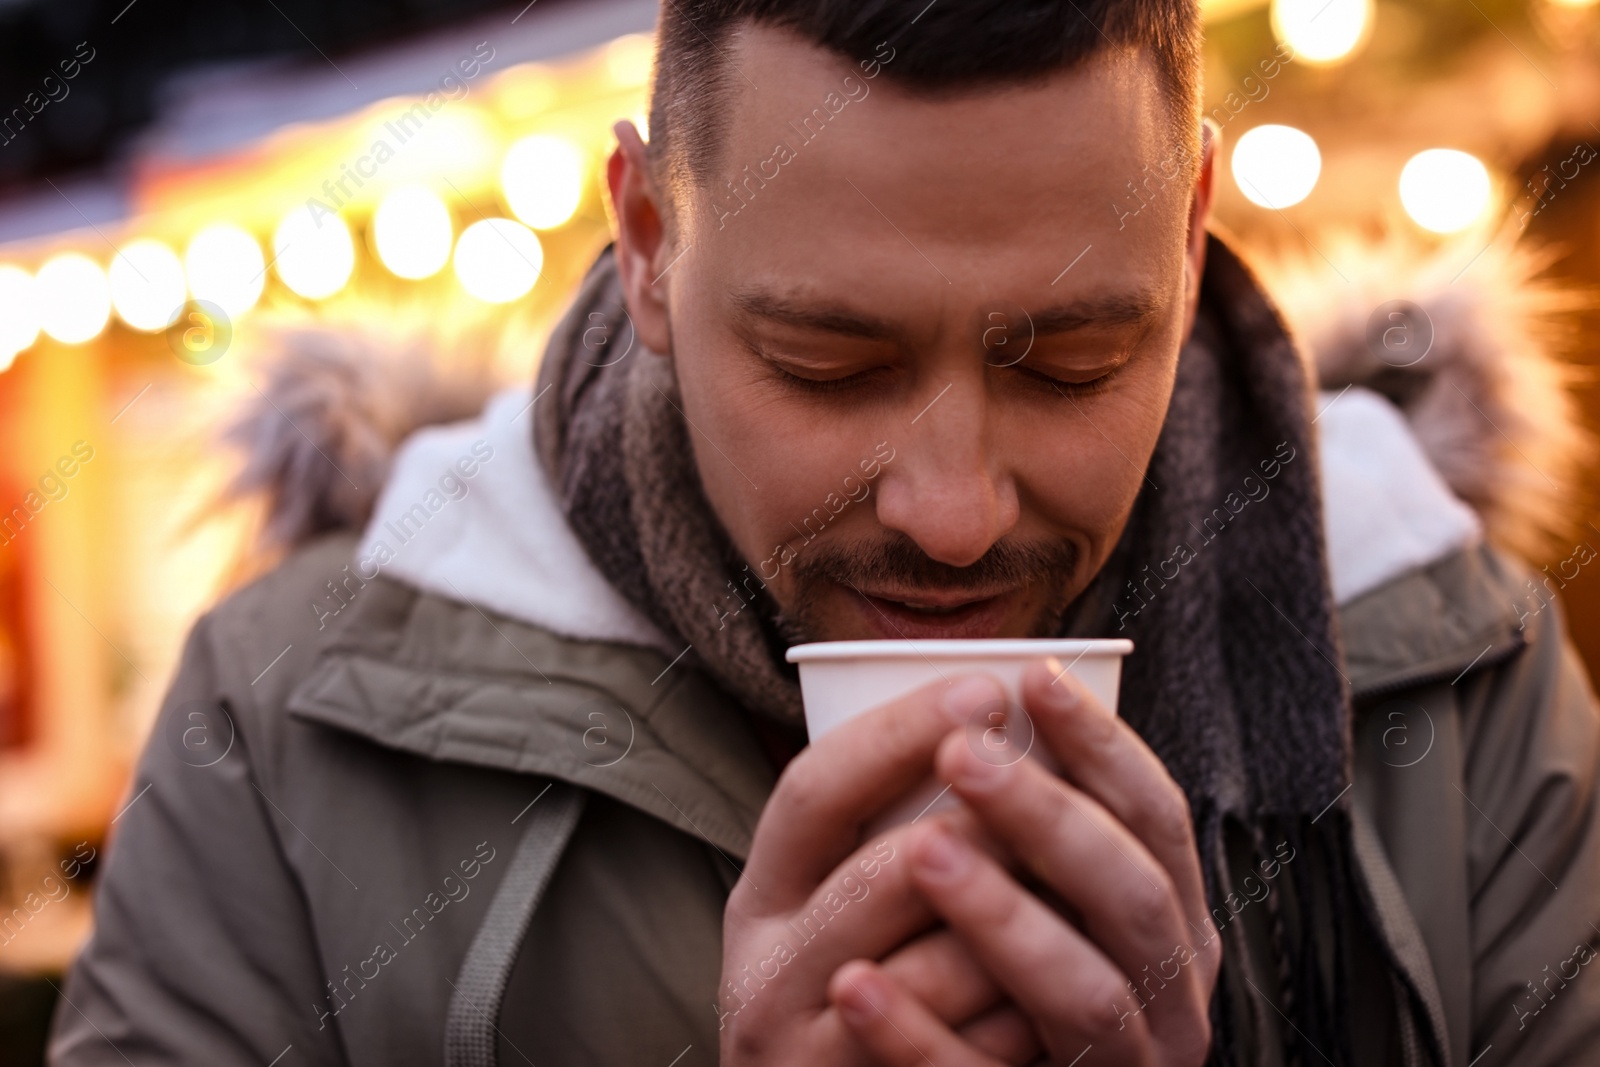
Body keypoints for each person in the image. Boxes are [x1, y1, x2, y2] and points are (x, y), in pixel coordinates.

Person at [50, 1, 1600, 1065]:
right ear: (650, 243)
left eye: (1073, 362)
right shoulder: (285, 722)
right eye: (828, 365)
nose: (952, 509)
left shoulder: (1457, 675)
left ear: (1191, 234)